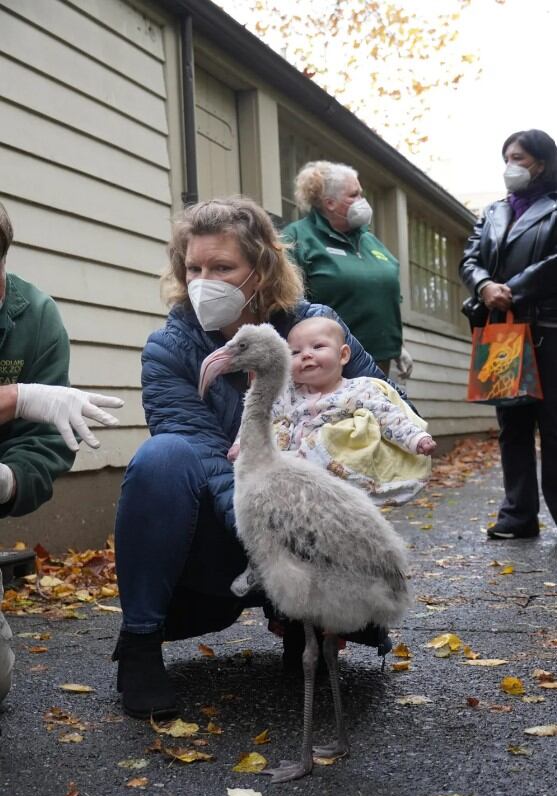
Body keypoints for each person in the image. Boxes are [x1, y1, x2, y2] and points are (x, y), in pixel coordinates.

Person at [113, 196, 417, 720]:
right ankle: (140, 646)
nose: (203, 280)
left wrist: (340, 447)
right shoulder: (170, 349)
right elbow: (210, 460)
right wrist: (269, 545)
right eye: (194, 268)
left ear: (262, 269)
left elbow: (388, 406)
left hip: (310, 523)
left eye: (223, 267)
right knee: (163, 457)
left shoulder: (315, 331)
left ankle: (307, 625)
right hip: (227, 527)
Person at [0, 202, 123, 705]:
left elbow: (45, 443)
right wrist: (15, 397)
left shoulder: (35, 314)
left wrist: (9, 478)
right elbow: (24, 406)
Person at [229, 316, 435, 598]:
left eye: (317, 346)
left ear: (343, 355)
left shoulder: (358, 390)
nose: (307, 355)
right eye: (296, 352)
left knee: (336, 534)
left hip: (333, 480)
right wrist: (241, 444)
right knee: (270, 526)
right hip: (291, 483)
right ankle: (258, 566)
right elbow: (256, 416)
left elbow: (389, 416)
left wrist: (415, 439)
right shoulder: (285, 395)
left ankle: (361, 578)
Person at [459, 129, 557, 540]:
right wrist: (484, 286)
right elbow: (470, 257)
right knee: (512, 424)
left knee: (553, 425)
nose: (510, 166)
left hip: (549, 331)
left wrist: (512, 287)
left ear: (542, 162)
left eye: (518, 157)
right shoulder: (493, 211)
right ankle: (518, 516)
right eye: (506, 157)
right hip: (502, 332)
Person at [282, 160, 413, 379]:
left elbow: (386, 295)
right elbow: (286, 304)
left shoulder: (370, 241)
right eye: (354, 195)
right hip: (331, 365)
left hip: (380, 360)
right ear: (330, 203)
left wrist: (397, 345)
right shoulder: (297, 239)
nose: (363, 202)